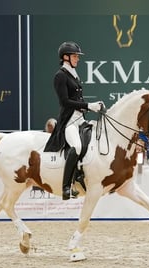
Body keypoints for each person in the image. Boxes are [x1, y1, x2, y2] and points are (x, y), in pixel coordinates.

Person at [44, 41, 103, 200]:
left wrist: (92, 107)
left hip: (80, 119)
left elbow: (77, 99)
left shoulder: (74, 74)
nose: (78, 59)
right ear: (65, 57)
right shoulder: (60, 76)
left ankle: (79, 174)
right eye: (75, 56)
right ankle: (66, 187)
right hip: (69, 121)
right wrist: (88, 105)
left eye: (77, 56)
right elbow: (65, 102)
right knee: (76, 146)